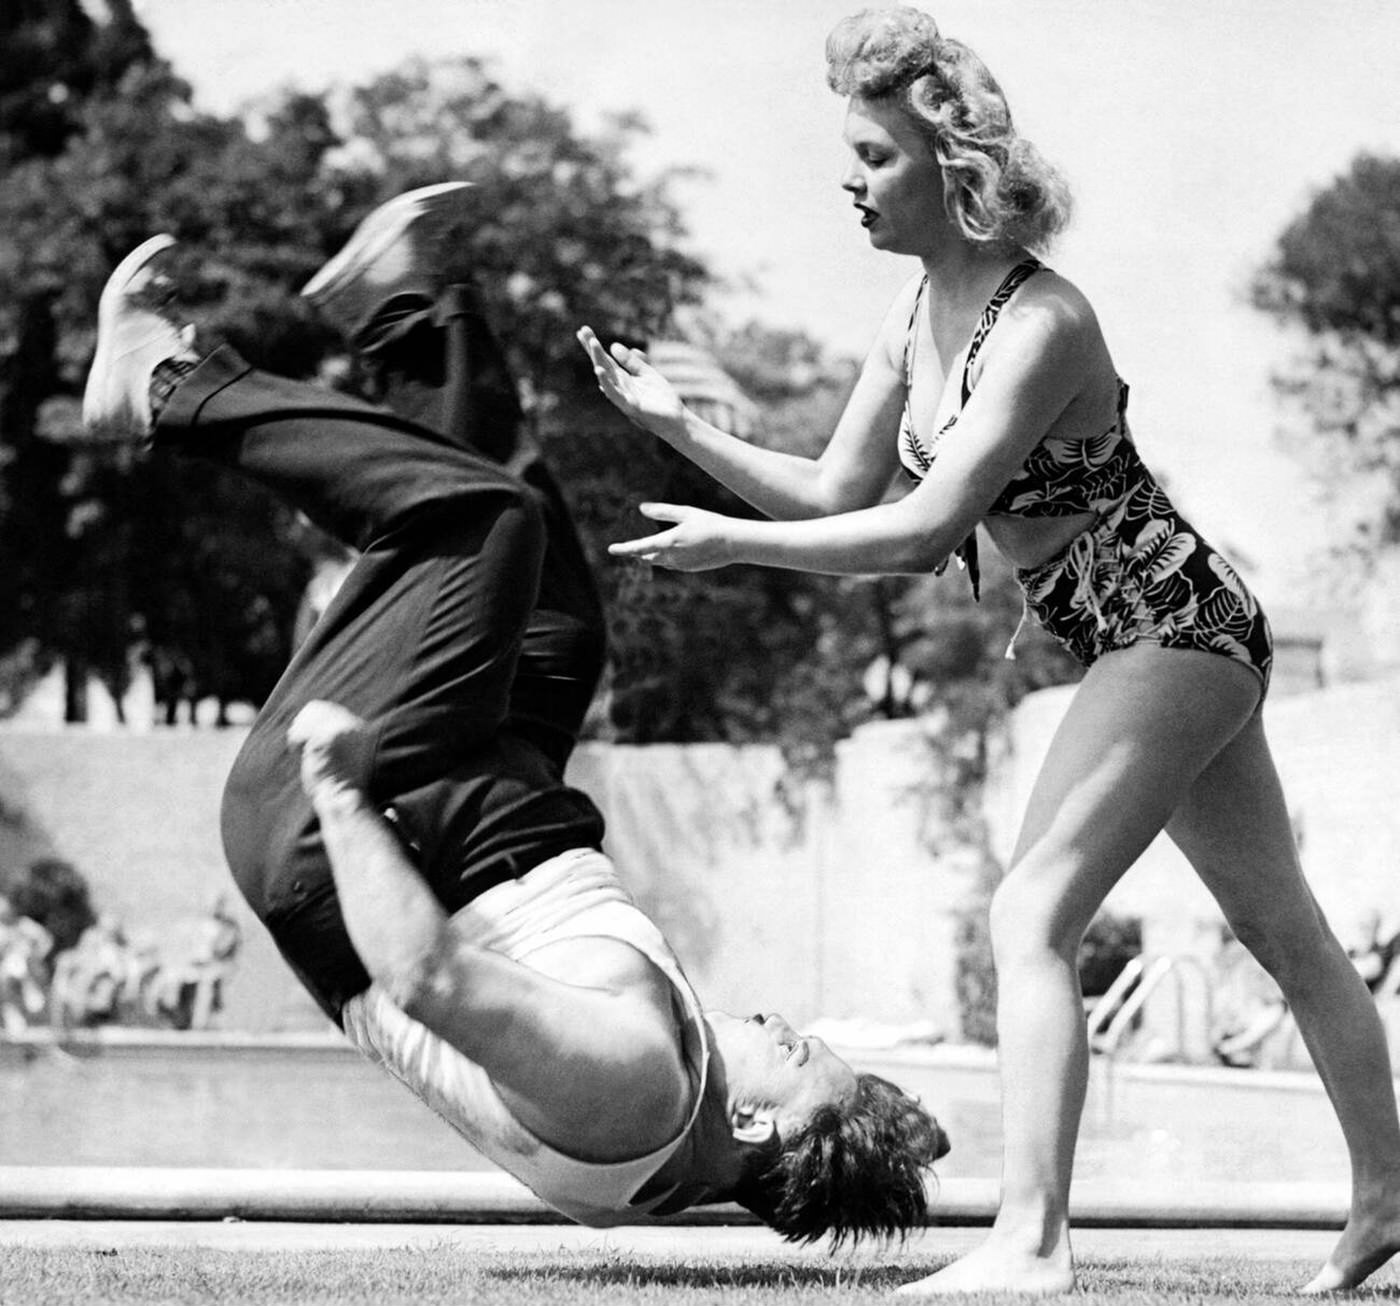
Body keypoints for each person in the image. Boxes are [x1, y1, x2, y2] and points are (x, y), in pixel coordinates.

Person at [577, 7, 1400, 1293]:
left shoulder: (1040, 323)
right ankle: (1390, 1198)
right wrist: (679, 427)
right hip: (1140, 639)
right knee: (1277, 926)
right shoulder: (912, 315)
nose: (847, 183)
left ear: (949, 164)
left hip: (1172, 622)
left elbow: (919, 533)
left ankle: (1031, 1241)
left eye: (872, 158)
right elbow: (834, 489)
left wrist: (730, 547)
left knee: (1029, 914)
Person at [79, 189, 947, 1244]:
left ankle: (166, 388)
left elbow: (427, 978)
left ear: (759, 1124)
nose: (777, 1020)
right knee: (556, 633)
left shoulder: (635, 1087)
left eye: (794, 1049)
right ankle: (404, 309)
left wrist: (341, 794)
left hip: (355, 832)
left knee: (484, 524)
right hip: (474, 813)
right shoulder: (659, 1134)